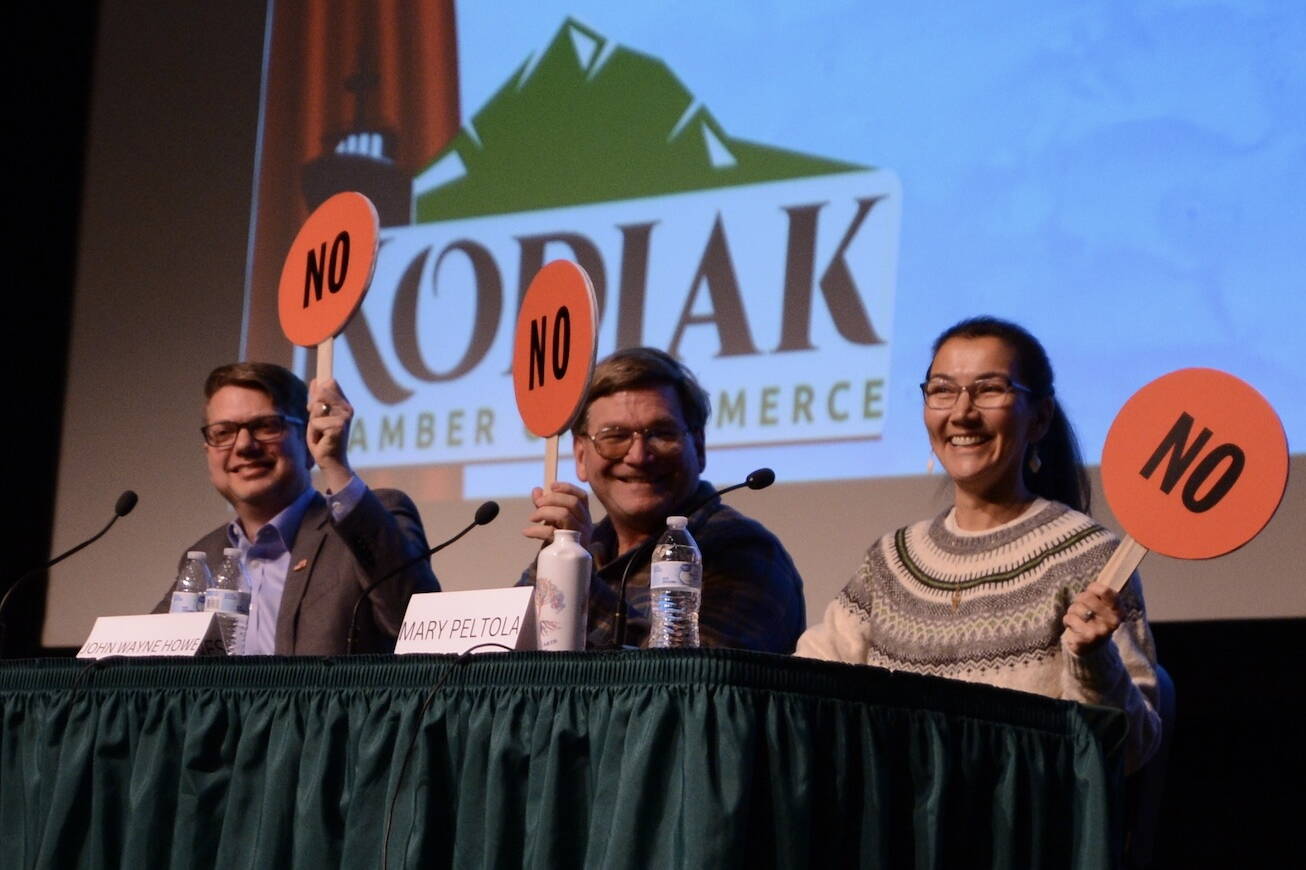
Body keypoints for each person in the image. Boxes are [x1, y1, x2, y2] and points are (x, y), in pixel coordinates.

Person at [797, 317, 1162, 772]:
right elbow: (805, 685)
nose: (962, 412)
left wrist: (1095, 662)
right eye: (942, 390)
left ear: (1040, 416)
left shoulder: (1088, 557)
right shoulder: (892, 560)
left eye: (989, 389)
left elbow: (1131, 748)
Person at [518, 347, 805, 652]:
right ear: (579, 455)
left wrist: (578, 582)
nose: (639, 456)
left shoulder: (746, 554)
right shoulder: (585, 548)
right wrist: (564, 561)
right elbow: (495, 663)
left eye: (662, 433)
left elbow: (687, 683)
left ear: (698, 446)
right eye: (615, 436)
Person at [156, 362, 438, 654]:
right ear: (208, 452)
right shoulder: (207, 557)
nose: (243, 445)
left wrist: (336, 466)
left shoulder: (366, 521)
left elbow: (418, 627)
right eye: (223, 433)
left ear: (308, 439)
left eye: (265, 427)